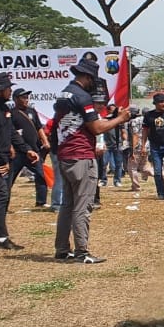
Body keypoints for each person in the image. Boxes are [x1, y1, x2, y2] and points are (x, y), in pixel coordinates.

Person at [52, 58, 131, 264]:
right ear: (87, 77)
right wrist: (120, 120)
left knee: (67, 205)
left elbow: (84, 123)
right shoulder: (83, 97)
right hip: (81, 156)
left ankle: (62, 249)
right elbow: (95, 129)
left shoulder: (64, 94)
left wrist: (111, 117)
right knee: (82, 206)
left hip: (65, 155)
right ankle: (82, 252)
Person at [0, 72, 36, 250]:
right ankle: (1, 238)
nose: (10, 91)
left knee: (2, 196)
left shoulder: (3, 108)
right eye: (8, 88)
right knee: (1, 195)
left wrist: (27, 149)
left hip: (2, 158)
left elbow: (10, 132)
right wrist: (0, 159)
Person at [8, 87, 50, 208]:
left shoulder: (32, 111)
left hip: (34, 151)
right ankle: (1, 202)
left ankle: (41, 202)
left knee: (41, 175)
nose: (26, 99)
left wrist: (45, 141)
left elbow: (39, 128)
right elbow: (9, 133)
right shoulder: (11, 114)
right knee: (9, 178)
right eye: (23, 97)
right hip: (18, 152)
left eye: (27, 97)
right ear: (15, 99)